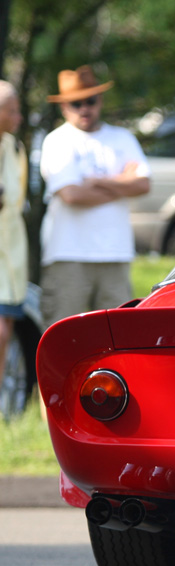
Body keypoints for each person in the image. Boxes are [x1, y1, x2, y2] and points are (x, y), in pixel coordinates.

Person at [39, 65, 150, 327]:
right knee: (63, 337)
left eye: (90, 100)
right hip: (68, 255)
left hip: (116, 254)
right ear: (64, 107)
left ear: (100, 100)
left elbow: (143, 185)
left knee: (118, 337)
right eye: (75, 103)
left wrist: (98, 181)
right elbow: (71, 194)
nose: (84, 108)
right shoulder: (57, 141)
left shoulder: (122, 137)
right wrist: (123, 182)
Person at [0, 80, 27, 399]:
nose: (18, 117)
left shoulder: (13, 147)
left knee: (5, 321)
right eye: (11, 111)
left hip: (11, 250)